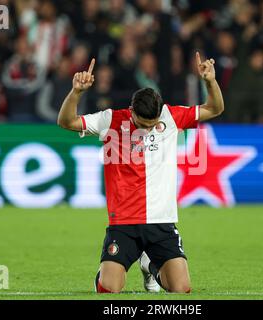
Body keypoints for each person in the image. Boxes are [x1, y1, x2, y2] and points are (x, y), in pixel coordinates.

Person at [57, 52, 224, 293]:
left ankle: (151, 266)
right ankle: (109, 270)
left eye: (153, 124)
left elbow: (215, 109)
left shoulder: (171, 116)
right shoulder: (111, 120)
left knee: (182, 289)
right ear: (132, 110)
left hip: (161, 220)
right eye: (143, 124)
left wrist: (210, 81)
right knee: (109, 289)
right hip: (123, 222)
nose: (148, 130)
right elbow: (66, 122)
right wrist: (76, 92)